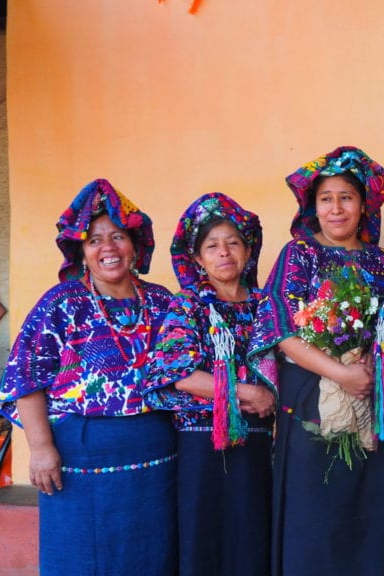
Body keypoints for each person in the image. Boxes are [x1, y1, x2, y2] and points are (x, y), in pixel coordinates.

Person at [0, 179, 176, 575]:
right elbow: (26, 377)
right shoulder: (60, 303)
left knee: (152, 557)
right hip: (80, 462)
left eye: (117, 237)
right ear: (81, 251)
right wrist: (40, 447)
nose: (107, 248)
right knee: (81, 558)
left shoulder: (163, 302)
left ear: (135, 245)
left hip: (156, 461)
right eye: (94, 240)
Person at [248, 147, 384, 576]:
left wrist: (363, 372)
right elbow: (280, 331)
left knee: (368, 510)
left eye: (347, 197)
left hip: (372, 399)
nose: (336, 208)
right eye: (326, 198)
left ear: (364, 204)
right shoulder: (299, 255)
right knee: (315, 513)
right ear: (313, 207)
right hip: (312, 400)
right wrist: (341, 374)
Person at [143, 193, 274, 576]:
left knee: (254, 535)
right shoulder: (189, 306)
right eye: (212, 246)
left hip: (262, 442)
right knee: (206, 538)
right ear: (197, 258)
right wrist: (244, 391)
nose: (224, 253)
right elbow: (177, 373)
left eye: (233, 243)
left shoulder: (267, 305)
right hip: (205, 444)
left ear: (248, 251)